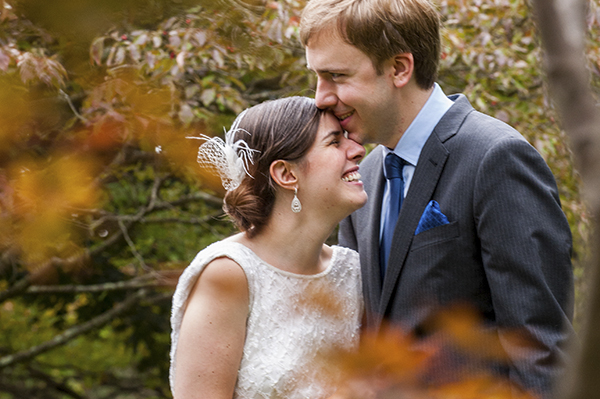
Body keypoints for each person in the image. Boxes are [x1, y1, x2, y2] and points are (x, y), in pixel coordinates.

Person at [300, 0, 575, 396]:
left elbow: (541, 349)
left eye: (336, 76)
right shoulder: (366, 175)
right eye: (318, 78)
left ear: (399, 68)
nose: (321, 98)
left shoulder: (495, 158)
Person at [169, 96, 368, 399]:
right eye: (335, 142)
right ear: (287, 174)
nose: (357, 149)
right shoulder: (229, 272)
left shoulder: (355, 272)